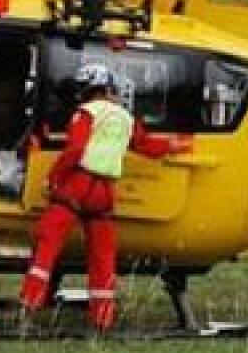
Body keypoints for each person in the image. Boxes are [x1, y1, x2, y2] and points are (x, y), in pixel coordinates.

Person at [18, 62, 189, 332]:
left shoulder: (85, 114)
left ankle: (29, 304)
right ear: (108, 87)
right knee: (102, 254)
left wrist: (54, 178)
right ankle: (102, 317)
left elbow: (74, 150)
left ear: (84, 90)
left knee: (47, 240)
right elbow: (145, 145)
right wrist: (174, 146)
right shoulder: (124, 117)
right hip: (105, 191)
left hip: (79, 184)